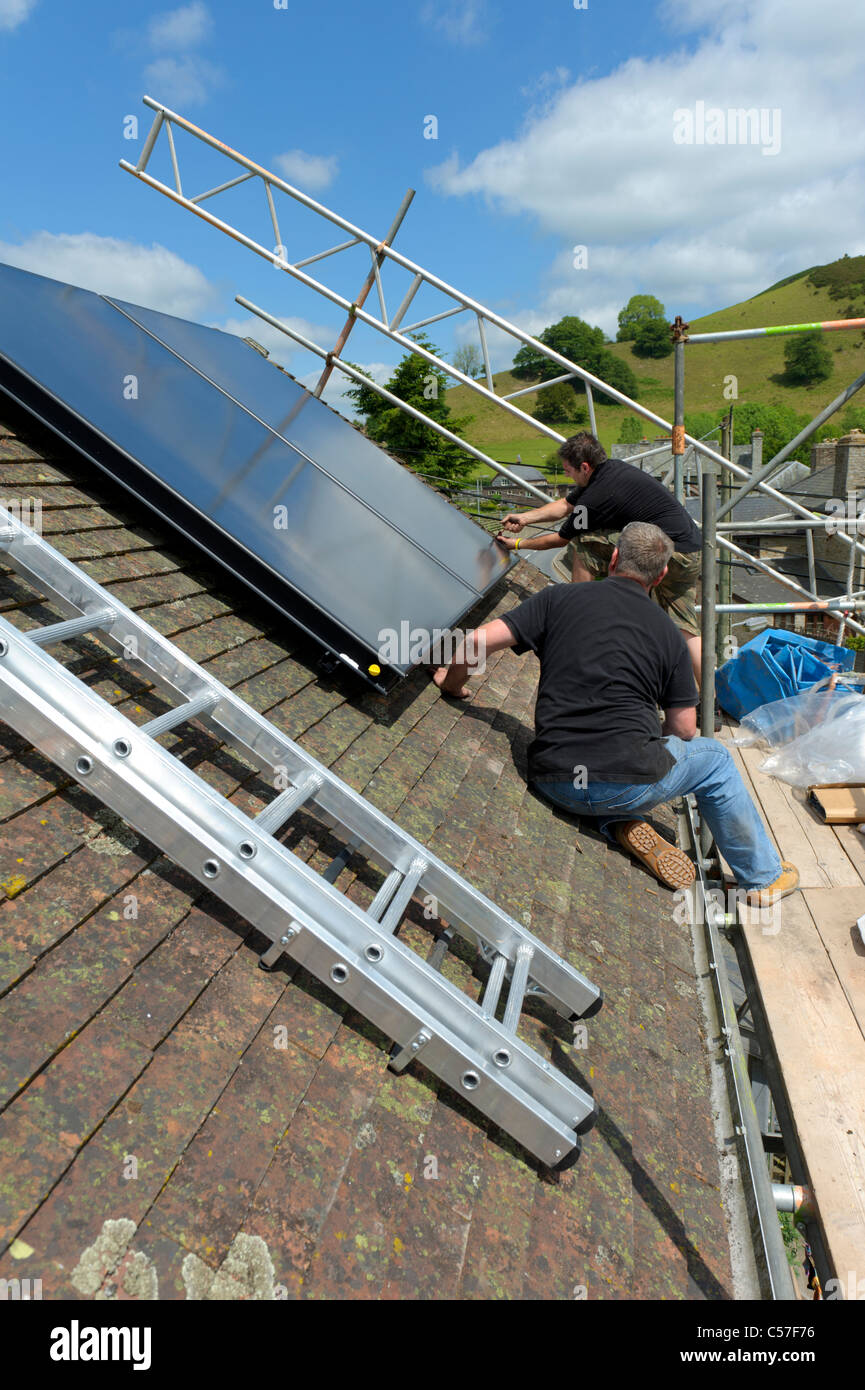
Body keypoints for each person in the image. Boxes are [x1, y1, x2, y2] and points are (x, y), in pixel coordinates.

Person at [433, 521, 798, 907]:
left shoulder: (558, 600)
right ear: (659, 576)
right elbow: (684, 729)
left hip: (554, 780)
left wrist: (452, 685)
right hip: (628, 783)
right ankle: (761, 879)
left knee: (605, 784)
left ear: (613, 558)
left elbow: (475, 642)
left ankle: (616, 823)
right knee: (718, 761)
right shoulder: (669, 634)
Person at [498, 432, 704, 686]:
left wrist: (518, 544)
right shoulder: (612, 470)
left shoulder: (595, 498)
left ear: (584, 467)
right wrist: (526, 518)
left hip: (668, 554)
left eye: (568, 471)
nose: (567, 476)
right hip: (691, 552)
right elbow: (565, 504)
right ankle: (711, 702)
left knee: (585, 542)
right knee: (685, 628)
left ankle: (577, 618)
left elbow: (562, 539)